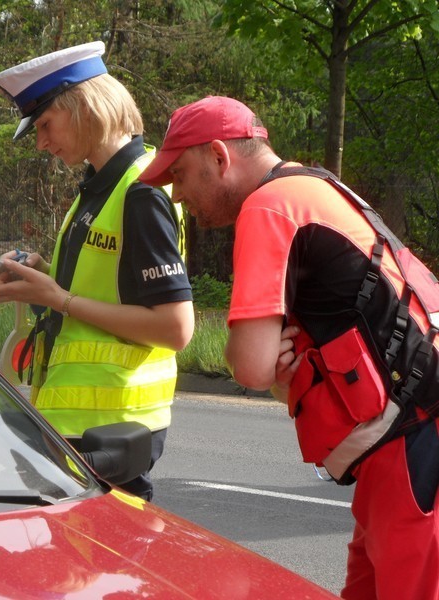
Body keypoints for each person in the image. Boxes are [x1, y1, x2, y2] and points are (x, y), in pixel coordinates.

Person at [138, 95, 439, 600]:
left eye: (182, 176)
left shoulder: (268, 207)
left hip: (414, 446)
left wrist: (254, 363)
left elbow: (253, 366)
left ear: (219, 155)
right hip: (403, 440)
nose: (179, 195)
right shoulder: (317, 186)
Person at [0, 41, 194, 501]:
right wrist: (42, 277)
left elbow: (176, 328)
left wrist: (56, 298)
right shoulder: (99, 188)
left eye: (45, 124)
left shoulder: (140, 192)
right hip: (84, 429)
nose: (41, 142)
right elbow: (104, 292)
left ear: (83, 106)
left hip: (110, 435)